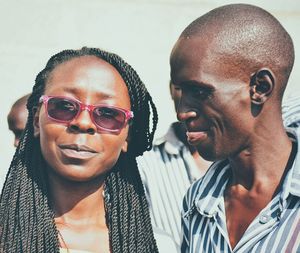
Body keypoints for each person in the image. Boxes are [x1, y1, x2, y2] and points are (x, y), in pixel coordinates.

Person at [0, 47, 178, 253]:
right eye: (64, 106)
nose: (83, 123)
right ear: (36, 121)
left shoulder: (158, 246)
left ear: (127, 136)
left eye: (108, 114)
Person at [170, 4, 299, 253]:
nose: (182, 112)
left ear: (260, 88)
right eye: (180, 92)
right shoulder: (198, 201)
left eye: (199, 92)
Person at [137, 81, 211, 246]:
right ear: (171, 89)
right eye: (181, 88)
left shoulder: (242, 163)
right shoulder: (144, 165)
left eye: (201, 91)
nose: (187, 109)